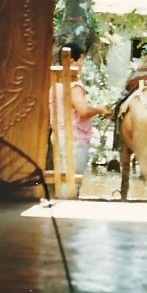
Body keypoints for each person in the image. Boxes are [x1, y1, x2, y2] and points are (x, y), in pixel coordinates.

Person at [49, 42, 111, 195]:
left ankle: (61, 210)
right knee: (72, 182)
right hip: (74, 139)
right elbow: (83, 110)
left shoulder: (55, 84)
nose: (82, 65)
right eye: (81, 60)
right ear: (71, 62)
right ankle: (66, 213)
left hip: (58, 136)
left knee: (63, 178)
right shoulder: (74, 85)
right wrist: (100, 109)